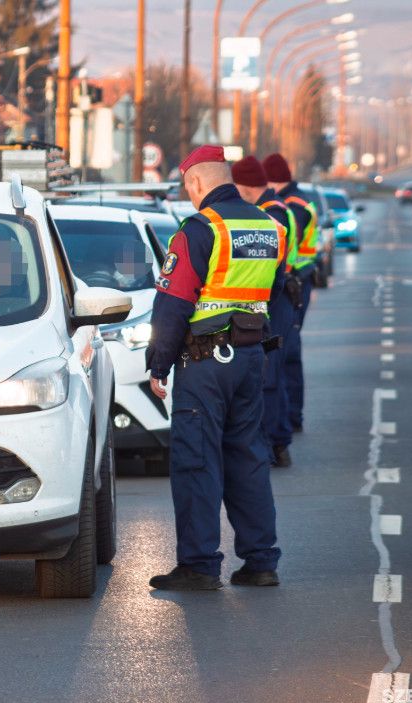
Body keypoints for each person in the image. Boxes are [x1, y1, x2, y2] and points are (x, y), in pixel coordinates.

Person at [146, 145, 284, 591]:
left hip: (205, 365)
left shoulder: (198, 230)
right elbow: (274, 291)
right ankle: (261, 562)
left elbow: (173, 305)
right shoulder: (268, 226)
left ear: (196, 183)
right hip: (250, 358)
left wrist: (158, 365)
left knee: (197, 461)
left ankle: (199, 565)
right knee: (247, 458)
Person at [233, 156, 297, 468]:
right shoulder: (275, 210)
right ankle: (277, 438)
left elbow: (271, 269)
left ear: (243, 187)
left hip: (276, 299)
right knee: (274, 374)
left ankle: (276, 443)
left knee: (270, 377)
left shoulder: (271, 216)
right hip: (277, 297)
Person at [263, 153, 318, 433]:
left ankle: (290, 418)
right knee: (288, 353)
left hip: (293, 281)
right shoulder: (295, 201)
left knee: (287, 353)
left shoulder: (288, 207)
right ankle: (291, 417)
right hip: (298, 278)